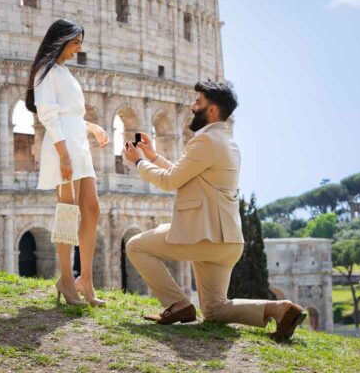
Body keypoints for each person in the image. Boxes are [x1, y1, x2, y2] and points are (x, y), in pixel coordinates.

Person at [123, 81, 306, 340]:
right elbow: (184, 175)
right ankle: (280, 309)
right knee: (215, 309)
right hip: (227, 241)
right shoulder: (226, 141)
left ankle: (178, 305)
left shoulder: (205, 141)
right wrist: (153, 157)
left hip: (203, 237)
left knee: (136, 246)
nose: (191, 106)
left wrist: (139, 162)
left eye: (198, 102)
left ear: (212, 110)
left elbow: (170, 181)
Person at [26, 19, 110, 307]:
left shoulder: (65, 72)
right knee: (67, 211)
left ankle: (84, 279)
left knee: (92, 208)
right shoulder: (45, 70)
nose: (78, 49)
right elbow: (48, 114)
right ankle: (65, 278)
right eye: (75, 43)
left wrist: (93, 127)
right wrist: (63, 154)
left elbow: (71, 115)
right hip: (62, 147)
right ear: (61, 40)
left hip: (78, 144)